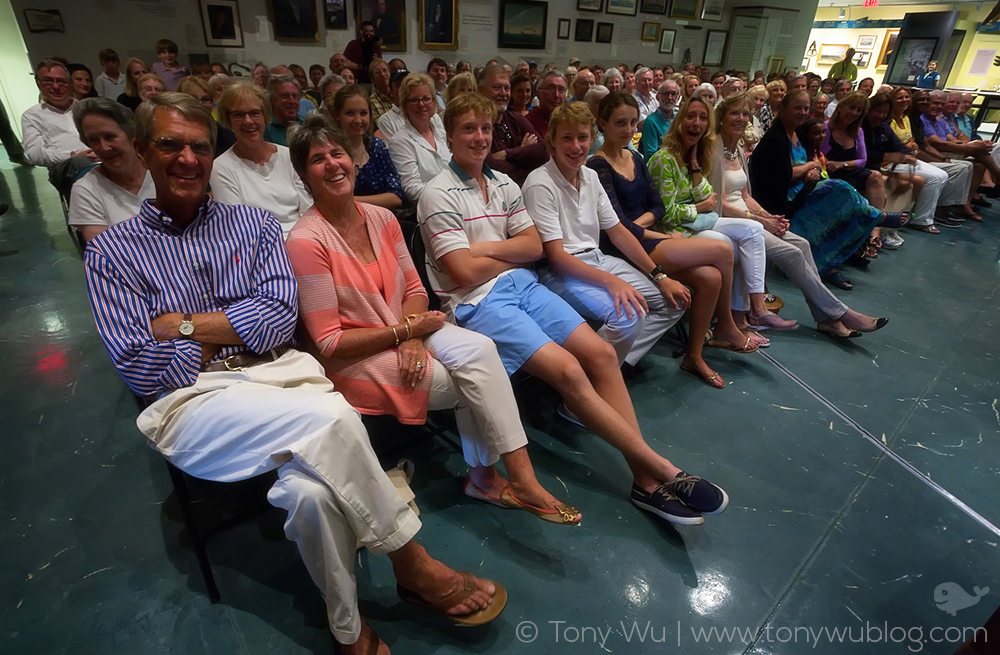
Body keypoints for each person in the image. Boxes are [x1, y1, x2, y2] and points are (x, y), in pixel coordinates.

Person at [84, 92, 506, 655]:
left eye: (200, 147)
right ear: (141, 151)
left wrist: (181, 327)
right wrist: (229, 329)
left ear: (214, 155)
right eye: (169, 145)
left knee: (310, 494)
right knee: (332, 414)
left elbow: (277, 320)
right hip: (192, 402)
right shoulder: (112, 252)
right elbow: (142, 365)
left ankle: (348, 630)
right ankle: (414, 564)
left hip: (283, 372)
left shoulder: (254, 227)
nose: (187, 158)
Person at [419, 91, 729, 525]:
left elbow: (532, 249)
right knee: (568, 370)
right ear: (448, 135)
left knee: (602, 354)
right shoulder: (437, 193)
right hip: (476, 301)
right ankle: (659, 469)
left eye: (486, 128)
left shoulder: (505, 184)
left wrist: (484, 251)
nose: (480, 137)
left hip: (522, 283)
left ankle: (644, 479)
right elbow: (462, 273)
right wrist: (502, 253)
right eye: (468, 128)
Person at [283, 113, 578, 525]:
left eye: (338, 153)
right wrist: (406, 331)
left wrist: (410, 337)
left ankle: (517, 477)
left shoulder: (382, 219)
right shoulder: (305, 240)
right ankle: (486, 477)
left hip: (405, 329)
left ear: (352, 160)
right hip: (353, 354)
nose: (333, 164)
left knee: (482, 350)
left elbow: (416, 290)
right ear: (302, 174)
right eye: (318, 159)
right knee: (471, 381)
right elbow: (329, 342)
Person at [590, 91, 754, 386]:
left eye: (632, 123)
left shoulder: (635, 157)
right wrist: (648, 230)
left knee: (711, 278)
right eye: (619, 123)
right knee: (723, 251)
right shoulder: (598, 166)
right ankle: (727, 325)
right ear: (602, 124)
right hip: (624, 248)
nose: (628, 130)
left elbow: (658, 206)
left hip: (643, 238)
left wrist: (638, 226)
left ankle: (694, 356)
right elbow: (615, 226)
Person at [523, 101, 685, 371]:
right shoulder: (540, 183)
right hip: (558, 272)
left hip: (597, 260)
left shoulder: (589, 176)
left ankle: (607, 367)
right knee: (629, 316)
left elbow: (619, 232)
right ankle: (593, 381)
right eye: (567, 138)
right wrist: (612, 282)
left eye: (582, 137)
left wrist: (660, 275)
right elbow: (557, 257)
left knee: (675, 301)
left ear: (591, 138)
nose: (576, 146)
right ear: (552, 141)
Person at [711, 93, 887, 338]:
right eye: (734, 113)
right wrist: (761, 220)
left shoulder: (738, 150)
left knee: (802, 243)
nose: (740, 118)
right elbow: (718, 202)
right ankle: (840, 312)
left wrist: (768, 216)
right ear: (721, 117)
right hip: (730, 220)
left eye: (744, 114)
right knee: (792, 252)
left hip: (750, 215)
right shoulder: (713, 149)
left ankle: (825, 317)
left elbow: (745, 195)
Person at [648, 96, 796, 333]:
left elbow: (711, 198)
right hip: (674, 232)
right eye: (690, 116)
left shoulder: (696, 157)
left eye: (703, 118)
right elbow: (666, 213)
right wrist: (697, 208)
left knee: (753, 230)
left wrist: (695, 165)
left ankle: (756, 308)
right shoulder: (664, 159)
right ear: (679, 122)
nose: (696, 123)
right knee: (729, 245)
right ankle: (729, 320)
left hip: (695, 224)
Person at [748, 90, 904, 290]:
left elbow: (817, 161)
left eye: (806, 108)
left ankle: (837, 259)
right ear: (783, 109)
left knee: (842, 195)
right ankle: (875, 219)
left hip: (801, 187)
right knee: (839, 189)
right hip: (782, 198)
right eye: (797, 108)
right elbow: (781, 177)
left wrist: (811, 170)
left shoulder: (799, 134)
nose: (803, 112)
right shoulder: (776, 138)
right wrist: (809, 168)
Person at [210, 83, 312, 234]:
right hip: (257, 247)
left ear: (265, 116)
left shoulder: (289, 155)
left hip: (303, 239)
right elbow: (236, 226)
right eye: (238, 115)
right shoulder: (220, 168)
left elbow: (308, 209)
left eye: (255, 113)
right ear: (228, 119)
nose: (248, 121)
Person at [863, 91, 946, 245]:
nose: (880, 115)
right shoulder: (862, 126)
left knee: (918, 181)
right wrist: (889, 156)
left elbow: (898, 146)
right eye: (877, 111)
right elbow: (865, 155)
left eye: (884, 113)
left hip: (879, 168)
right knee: (892, 182)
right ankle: (878, 229)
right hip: (866, 168)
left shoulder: (883, 127)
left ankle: (892, 227)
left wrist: (907, 153)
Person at [68, 98, 154, 243]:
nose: (104, 148)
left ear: (131, 134)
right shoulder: (85, 190)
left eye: (110, 136)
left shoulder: (162, 171)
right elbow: (104, 254)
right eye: (93, 140)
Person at [21, 59, 96, 198]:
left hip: (99, 158)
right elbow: (36, 154)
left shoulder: (85, 108)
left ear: (69, 84)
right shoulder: (31, 116)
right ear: (38, 84)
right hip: (64, 169)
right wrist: (72, 155)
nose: (55, 86)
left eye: (61, 81)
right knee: (79, 162)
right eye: (48, 81)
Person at [906, 88, 974, 230]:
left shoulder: (917, 120)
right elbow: (923, 147)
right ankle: (934, 213)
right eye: (921, 100)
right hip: (908, 158)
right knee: (943, 173)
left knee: (968, 165)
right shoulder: (911, 119)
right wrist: (936, 160)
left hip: (921, 156)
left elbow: (924, 144)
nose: (925, 103)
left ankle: (949, 208)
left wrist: (942, 158)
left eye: (926, 100)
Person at [328, 85, 404, 210]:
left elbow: (396, 197)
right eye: (350, 113)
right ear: (337, 115)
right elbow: (332, 201)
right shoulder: (329, 153)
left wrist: (351, 200)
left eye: (363, 113)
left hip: (383, 220)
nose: (358, 120)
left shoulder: (377, 147)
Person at [478, 65, 547, 185]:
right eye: (496, 87)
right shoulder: (477, 125)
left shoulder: (516, 118)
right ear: (480, 90)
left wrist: (508, 154)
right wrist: (525, 155)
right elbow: (488, 166)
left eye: (507, 88)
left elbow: (543, 152)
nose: (503, 93)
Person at [388, 73, 449, 203]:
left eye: (426, 98)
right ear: (405, 105)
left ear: (434, 102)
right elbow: (412, 190)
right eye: (414, 100)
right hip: (429, 208)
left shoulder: (442, 134)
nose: (421, 104)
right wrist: (449, 194)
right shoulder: (400, 141)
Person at [638, 80, 680, 162]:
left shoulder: (678, 119)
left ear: (678, 98)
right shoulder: (651, 122)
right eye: (666, 94)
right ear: (657, 97)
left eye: (673, 94)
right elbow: (651, 156)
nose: (670, 97)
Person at [526, 70, 568, 138]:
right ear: (538, 93)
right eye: (550, 89)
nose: (556, 95)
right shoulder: (527, 123)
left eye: (561, 90)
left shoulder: (570, 121)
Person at [263, 74, 301, 146]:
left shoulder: (307, 124)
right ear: (272, 100)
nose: (291, 101)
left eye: (295, 96)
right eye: (285, 96)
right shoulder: (264, 129)